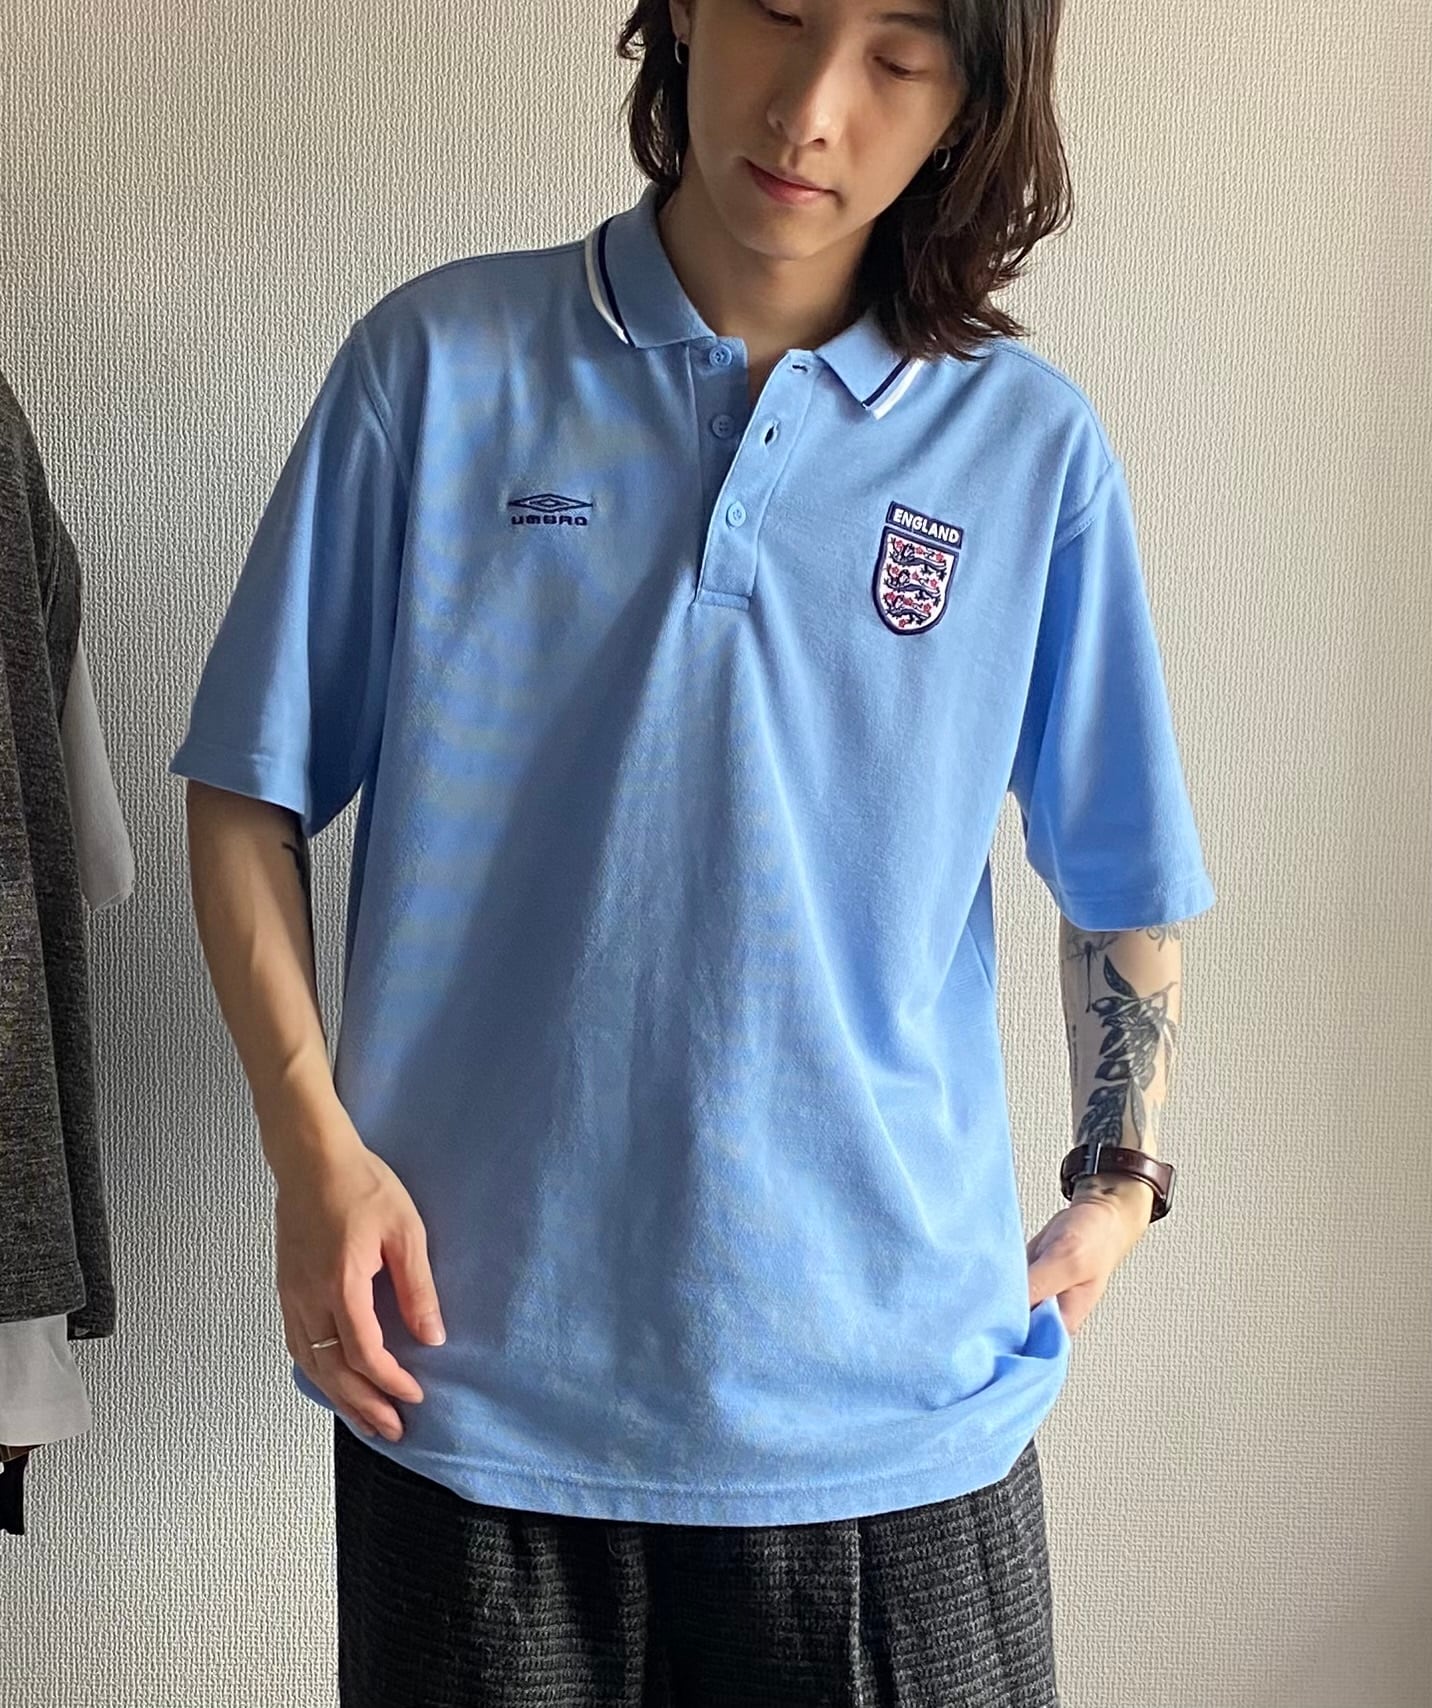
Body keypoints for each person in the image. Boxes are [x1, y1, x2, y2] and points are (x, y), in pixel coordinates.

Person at [171, 0, 1215, 1701]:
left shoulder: (1029, 450)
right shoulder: (439, 365)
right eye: (780, 14)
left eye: (898, 57)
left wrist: (1121, 1186)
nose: (810, 109)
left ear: (973, 101)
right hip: (472, 1390)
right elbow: (246, 786)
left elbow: (1124, 876)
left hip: (897, 1419)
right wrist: (310, 1149)